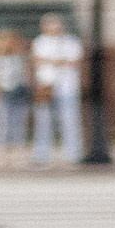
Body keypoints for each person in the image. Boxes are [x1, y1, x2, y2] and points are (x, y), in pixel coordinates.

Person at [29, 13, 84, 166]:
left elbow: (75, 62)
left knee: (70, 121)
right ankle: (41, 154)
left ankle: (73, 154)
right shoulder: (40, 42)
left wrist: (52, 61)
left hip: (67, 87)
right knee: (43, 121)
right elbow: (37, 60)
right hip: (46, 86)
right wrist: (59, 61)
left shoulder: (71, 41)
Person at [0, 30, 31, 151]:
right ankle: (0, 147)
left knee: (19, 121)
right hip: (2, 92)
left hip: (19, 91)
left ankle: (18, 146)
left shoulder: (20, 57)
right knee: (2, 122)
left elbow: (26, 75)